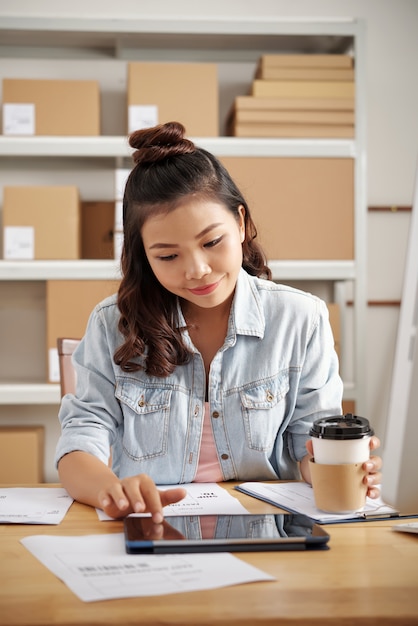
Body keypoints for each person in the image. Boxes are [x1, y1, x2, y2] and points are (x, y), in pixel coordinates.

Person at [56, 121, 382, 522]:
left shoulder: (301, 318)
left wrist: (344, 472)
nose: (197, 270)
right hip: (153, 524)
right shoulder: (113, 324)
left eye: (212, 243)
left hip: (268, 528)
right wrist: (112, 490)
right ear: (143, 255)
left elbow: (308, 447)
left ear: (241, 224)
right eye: (168, 256)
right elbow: (79, 442)